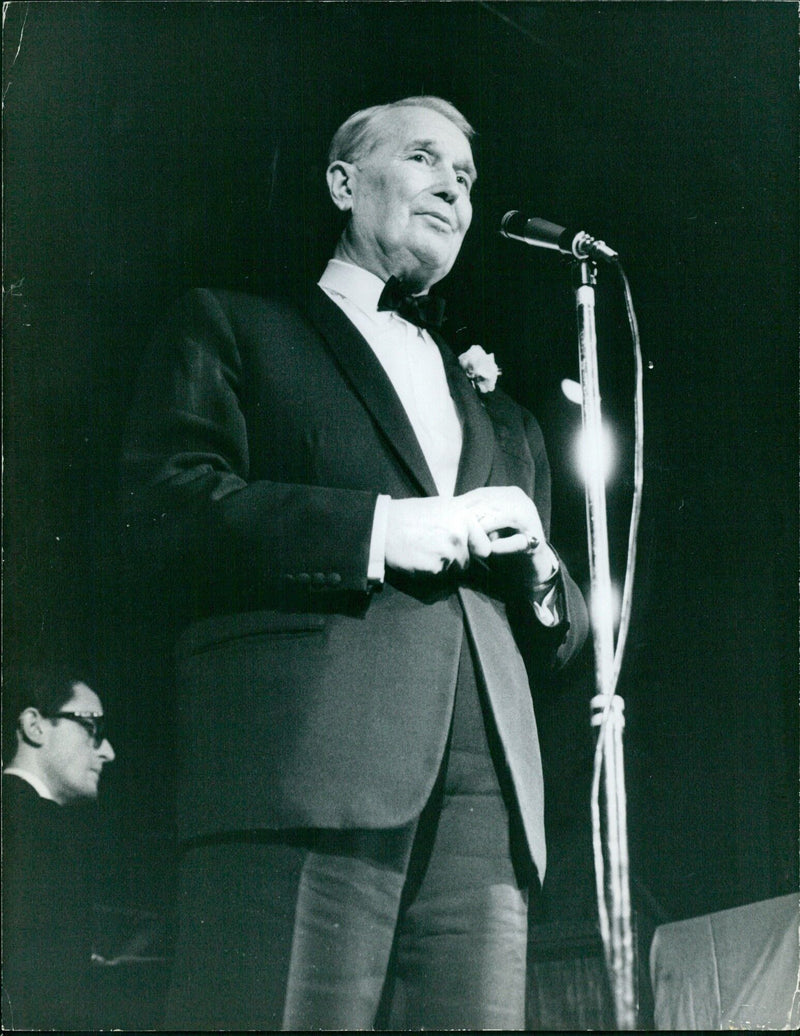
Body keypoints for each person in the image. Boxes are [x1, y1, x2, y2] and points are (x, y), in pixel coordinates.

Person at [120, 95, 589, 1030]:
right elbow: (165, 510)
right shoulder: (233, 326)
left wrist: (543, 574)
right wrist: (382, 531)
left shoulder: (504, 416)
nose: (453, 188)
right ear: (343, 183)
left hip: (487, 808)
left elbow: (565, 628)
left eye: (465, 176)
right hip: (305, 773)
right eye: (424, 160)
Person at [1, 666, 116, 1030]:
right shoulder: (31, 832)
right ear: (34, 726)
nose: (108, 752)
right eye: (91, 727)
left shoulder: (39, 829)